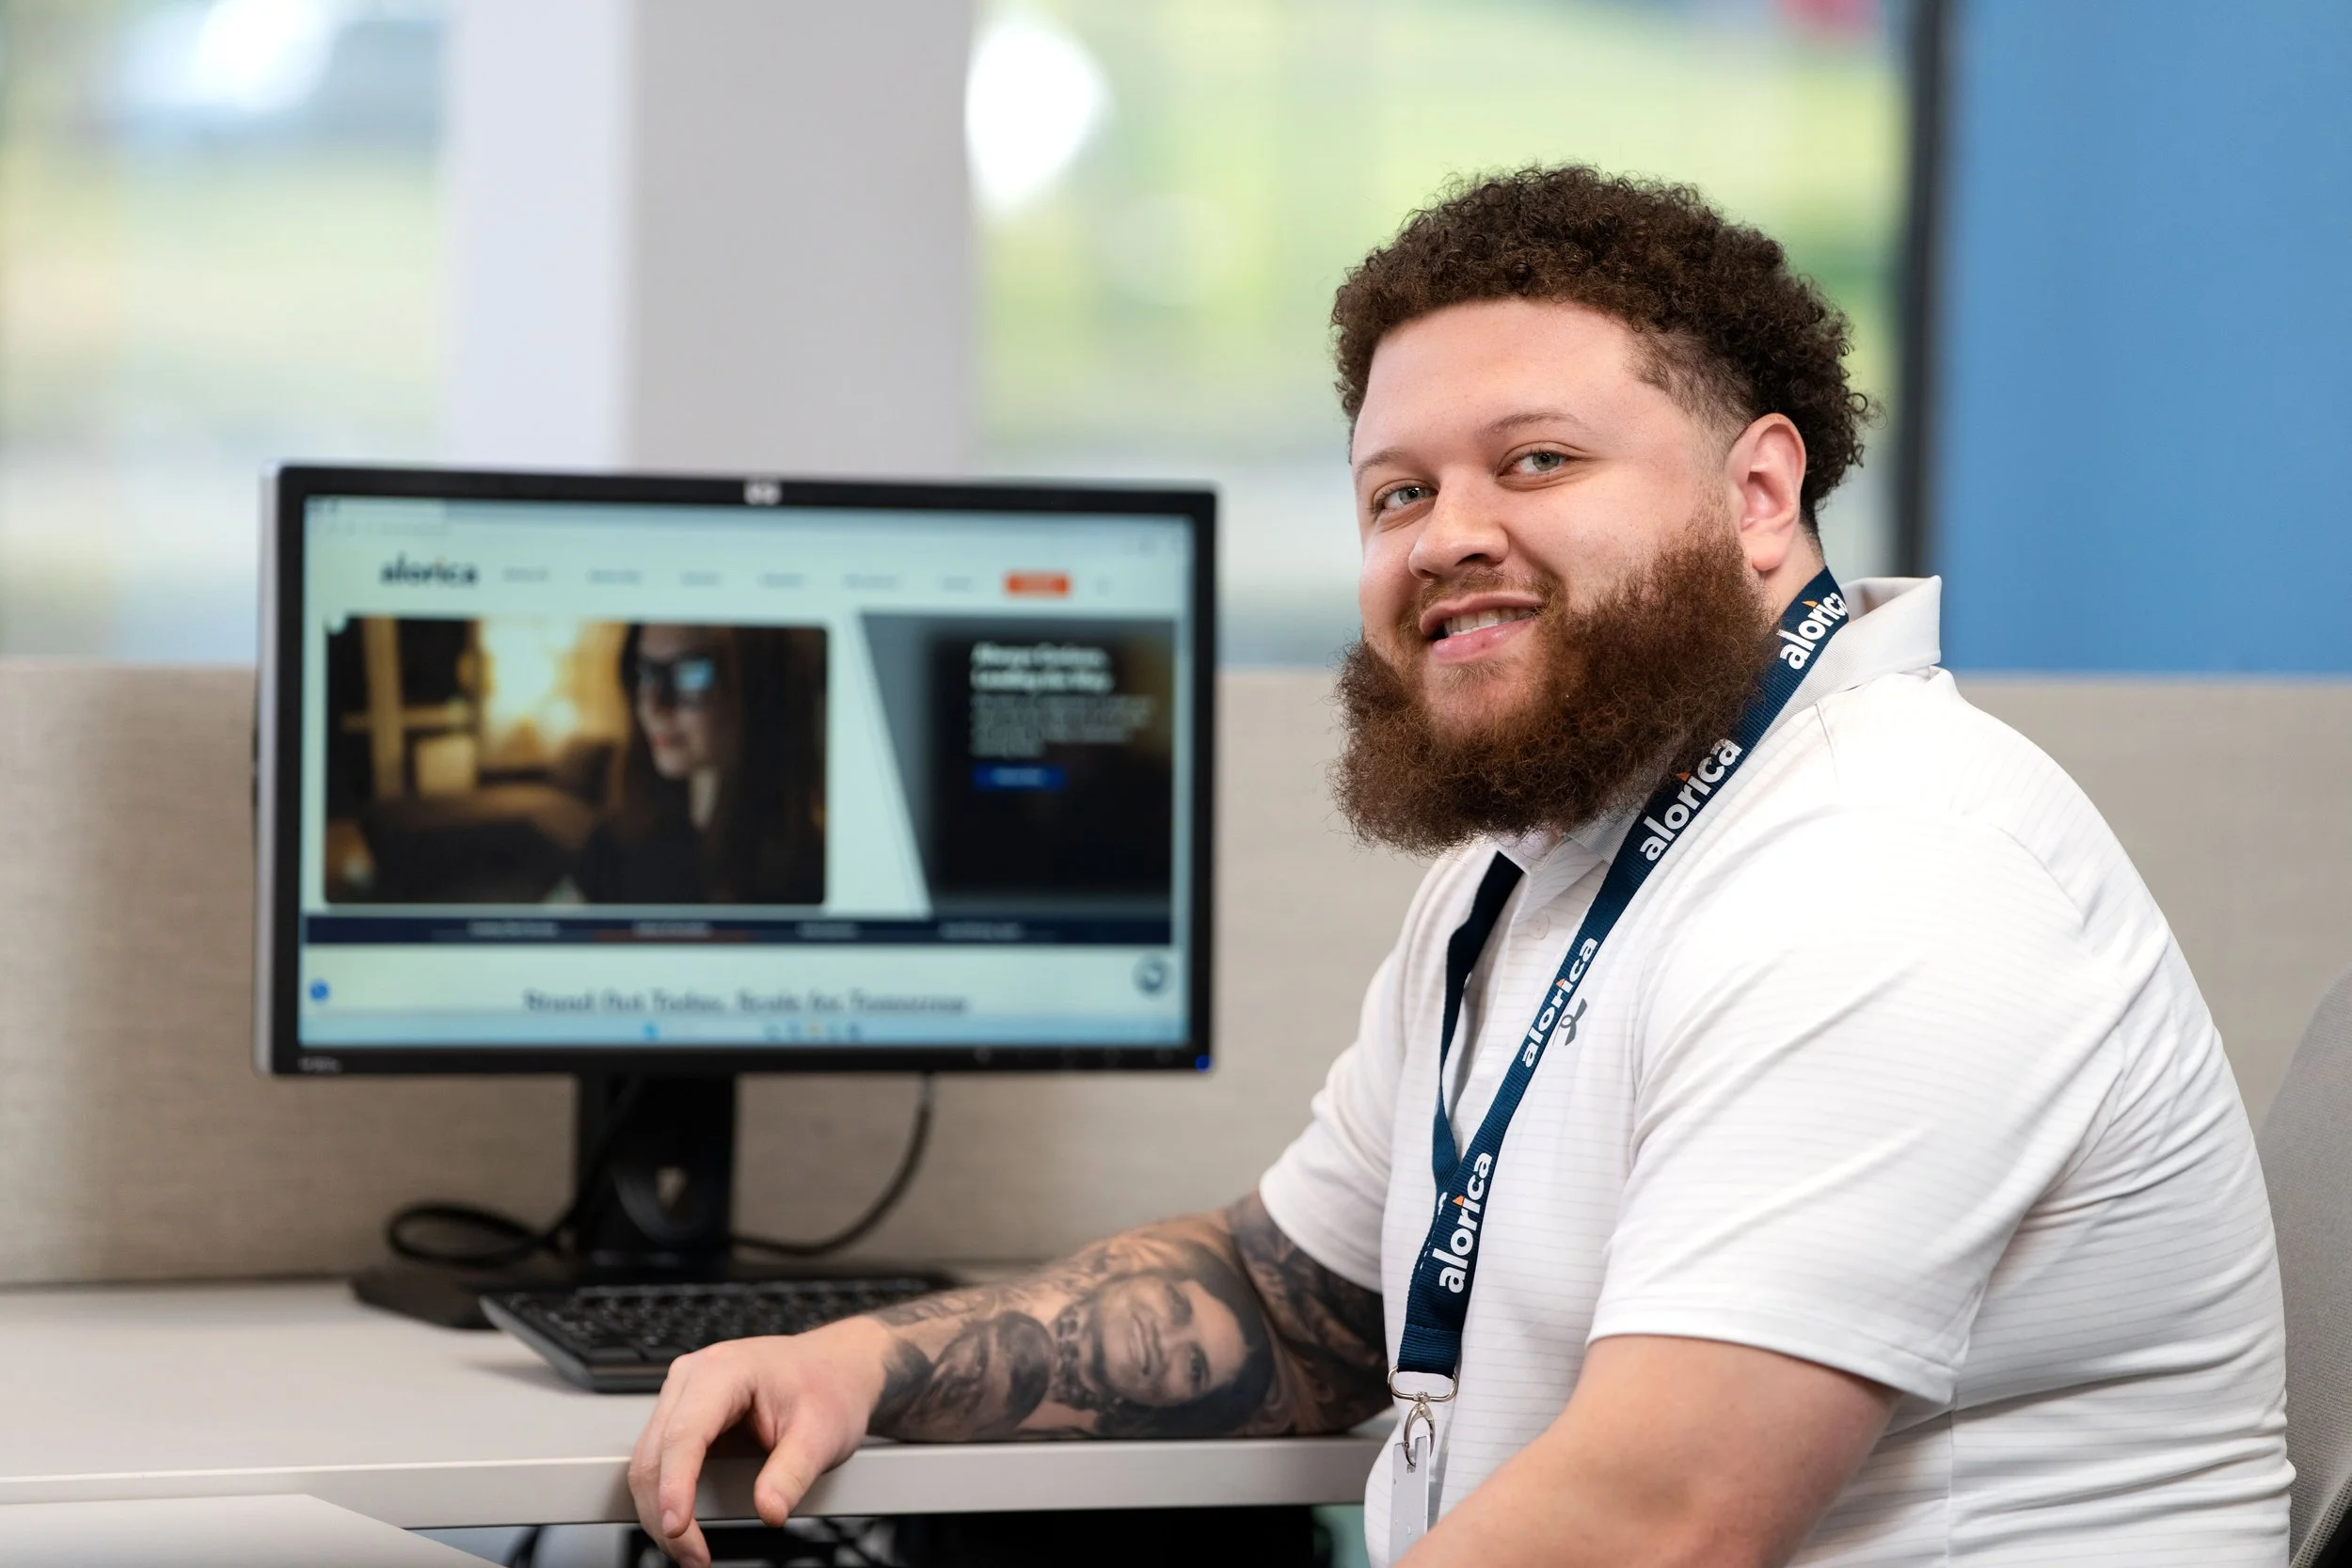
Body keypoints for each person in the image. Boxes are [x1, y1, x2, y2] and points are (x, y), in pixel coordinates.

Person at [628, 166, 2290, 1567]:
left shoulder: (1896, 868)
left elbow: (1661, 1517)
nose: (1445, 534)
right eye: (1396, 491)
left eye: (1538, 461)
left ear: (1762, 492)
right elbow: (1296, 1305)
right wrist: (861, 1357)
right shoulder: (1541, 864)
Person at [574, 623, 825, 906]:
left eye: (689, 675)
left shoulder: (813, 877)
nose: (654, 705)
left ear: (758, 686)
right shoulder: (618, 839)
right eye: (646, 672)